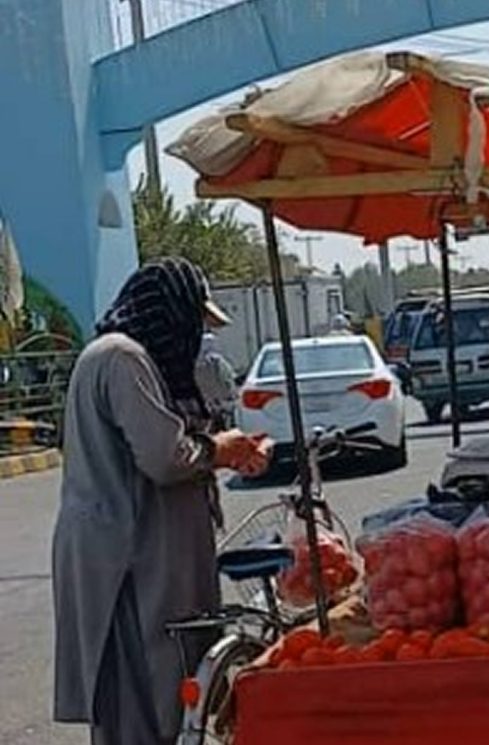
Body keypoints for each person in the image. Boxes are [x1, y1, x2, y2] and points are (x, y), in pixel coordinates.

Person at [53, 258, 271, 745]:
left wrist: (221, 449)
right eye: (193, 321)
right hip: (130, 557)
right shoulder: (122, 359)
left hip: (138, 548)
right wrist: (222, 449)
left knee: (154, 691)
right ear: (168, 312)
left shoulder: (124, 358)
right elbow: (164, 456)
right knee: (146, 693)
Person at [195, 331, 238, 430]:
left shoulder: (195, 362)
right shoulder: (217, 361)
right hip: (221, 405)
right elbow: (227, 379)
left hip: (204, 406)